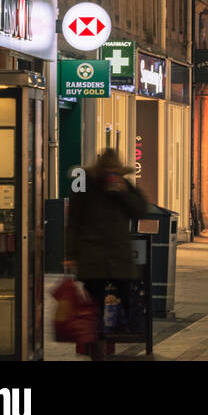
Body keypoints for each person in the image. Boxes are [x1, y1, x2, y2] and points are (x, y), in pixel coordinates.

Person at [64, 148, 149, 360]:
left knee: (129, 300)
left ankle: (127, 337)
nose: (111, 176)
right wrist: (70, 254)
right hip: (93, 261)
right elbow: (73, 222)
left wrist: (123, 193)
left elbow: (140, 210)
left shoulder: (124, 187)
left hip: (118, 259)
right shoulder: (86, 188)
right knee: (95, 308)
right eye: (108, 172)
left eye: (115, 172)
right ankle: (97, 349)